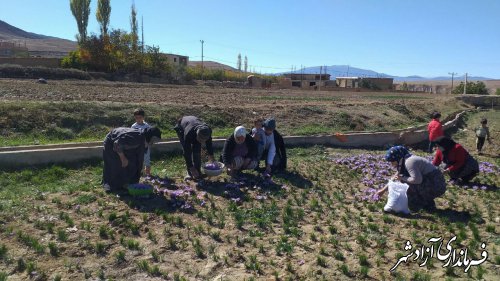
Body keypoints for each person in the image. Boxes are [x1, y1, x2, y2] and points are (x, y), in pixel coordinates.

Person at [376, 146, 446, 212]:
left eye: (392, 161)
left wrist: (402, 178)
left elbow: (417, 180)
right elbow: (395, 177)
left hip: (436, 185)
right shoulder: (405, 160)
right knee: (403, 180)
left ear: (398, 158)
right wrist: (382, 191)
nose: (392, 164)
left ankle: (418, 204)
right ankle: (427, 203)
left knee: (405, 182)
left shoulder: (409, 162)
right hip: (434, 183)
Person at [102, 127, 161, 192]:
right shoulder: (135, 138)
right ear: (150, 136)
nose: (153, 142)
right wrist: (123, 158)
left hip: (121, 144)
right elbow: (117, 144)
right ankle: (110, 185)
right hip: (111, 142)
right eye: (154, 139)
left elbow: (139, 157)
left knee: (132, 161)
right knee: (114, 163)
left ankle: (127, 182)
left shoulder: (143, 140)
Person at [174, 116, 215, 180]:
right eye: (200, 140)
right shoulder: (188, 133)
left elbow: (209, 144)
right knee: (189, 151)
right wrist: (191, 167)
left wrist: (212, 157)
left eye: (204, 140)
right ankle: (189, 172)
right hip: (182, 128)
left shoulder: (208, 131)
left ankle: (198, 171)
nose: (202, 142)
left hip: (193, 126)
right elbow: (186, 152)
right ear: (197, 134)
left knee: (197, 150)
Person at [131, 108, 152, 176]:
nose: (138, 119)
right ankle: (140, 173)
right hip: (138, 147)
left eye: (140, 117)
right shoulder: (134, 126)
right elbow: (132, 137)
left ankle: (148, 175)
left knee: (147, 161)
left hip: (145, 146)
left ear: (143, 117)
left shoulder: (147, 126)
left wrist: (148, 142)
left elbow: (149, 136)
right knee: (139, 160)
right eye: (136, 118)